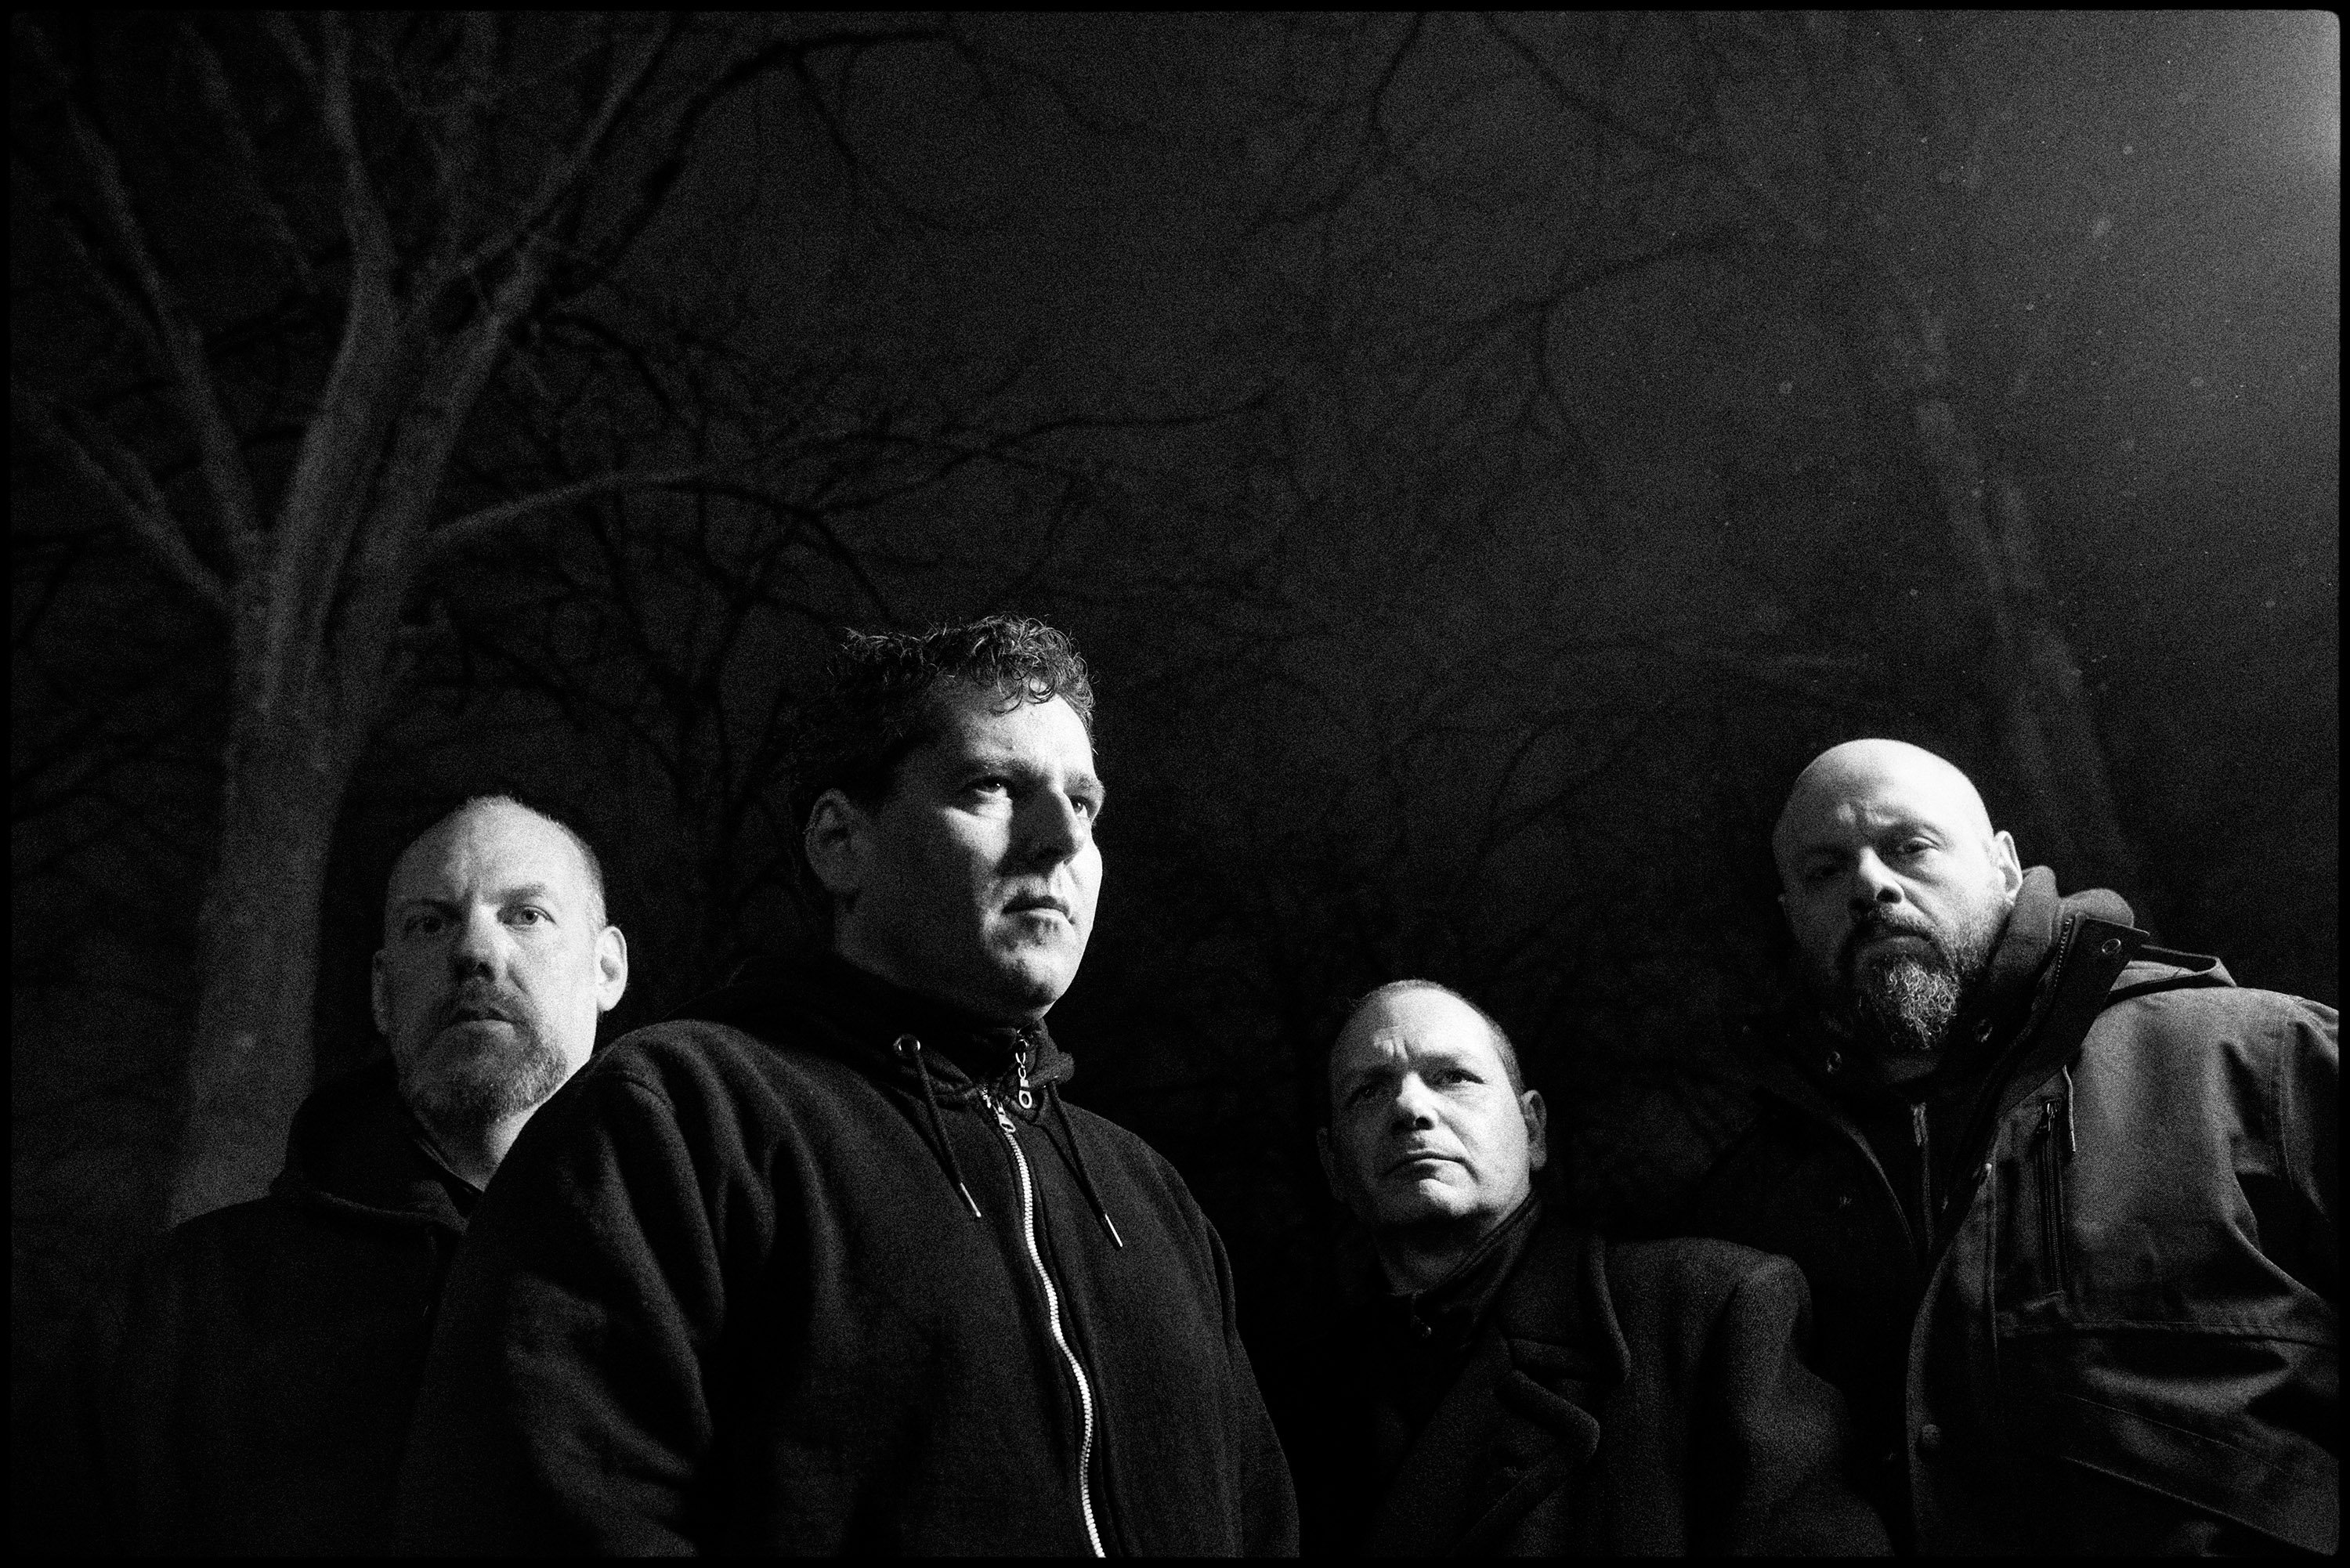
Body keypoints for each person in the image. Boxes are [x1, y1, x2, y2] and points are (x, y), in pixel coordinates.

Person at [394, 616, 1298, 1556]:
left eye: (1084, 800)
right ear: (839, 840)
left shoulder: (1154, 1200)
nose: (1062, 835)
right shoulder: (675, 1120)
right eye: (990, 786)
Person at [1681, 738, 2337, 1554]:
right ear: (1790, 917)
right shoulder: (1751, 1210)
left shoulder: (2257, 1061)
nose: (1870, 885)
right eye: (1824, 870)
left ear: (2004, 866)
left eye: (1908, 846)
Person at [44, 795, 628, 1554]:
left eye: (526, 915)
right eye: (429, 923)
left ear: (607, 966)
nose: (474, 951)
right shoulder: (180, 1311)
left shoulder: (704, 1279)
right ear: (382, 991)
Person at [1307, 980, 1888, 1556]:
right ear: (1333, 1167)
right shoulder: (1297, 1404)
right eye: (1368, 1091)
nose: (1410, 1108)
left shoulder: (1708, 1314)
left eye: (1452, 1077)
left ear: (1533, 1130)